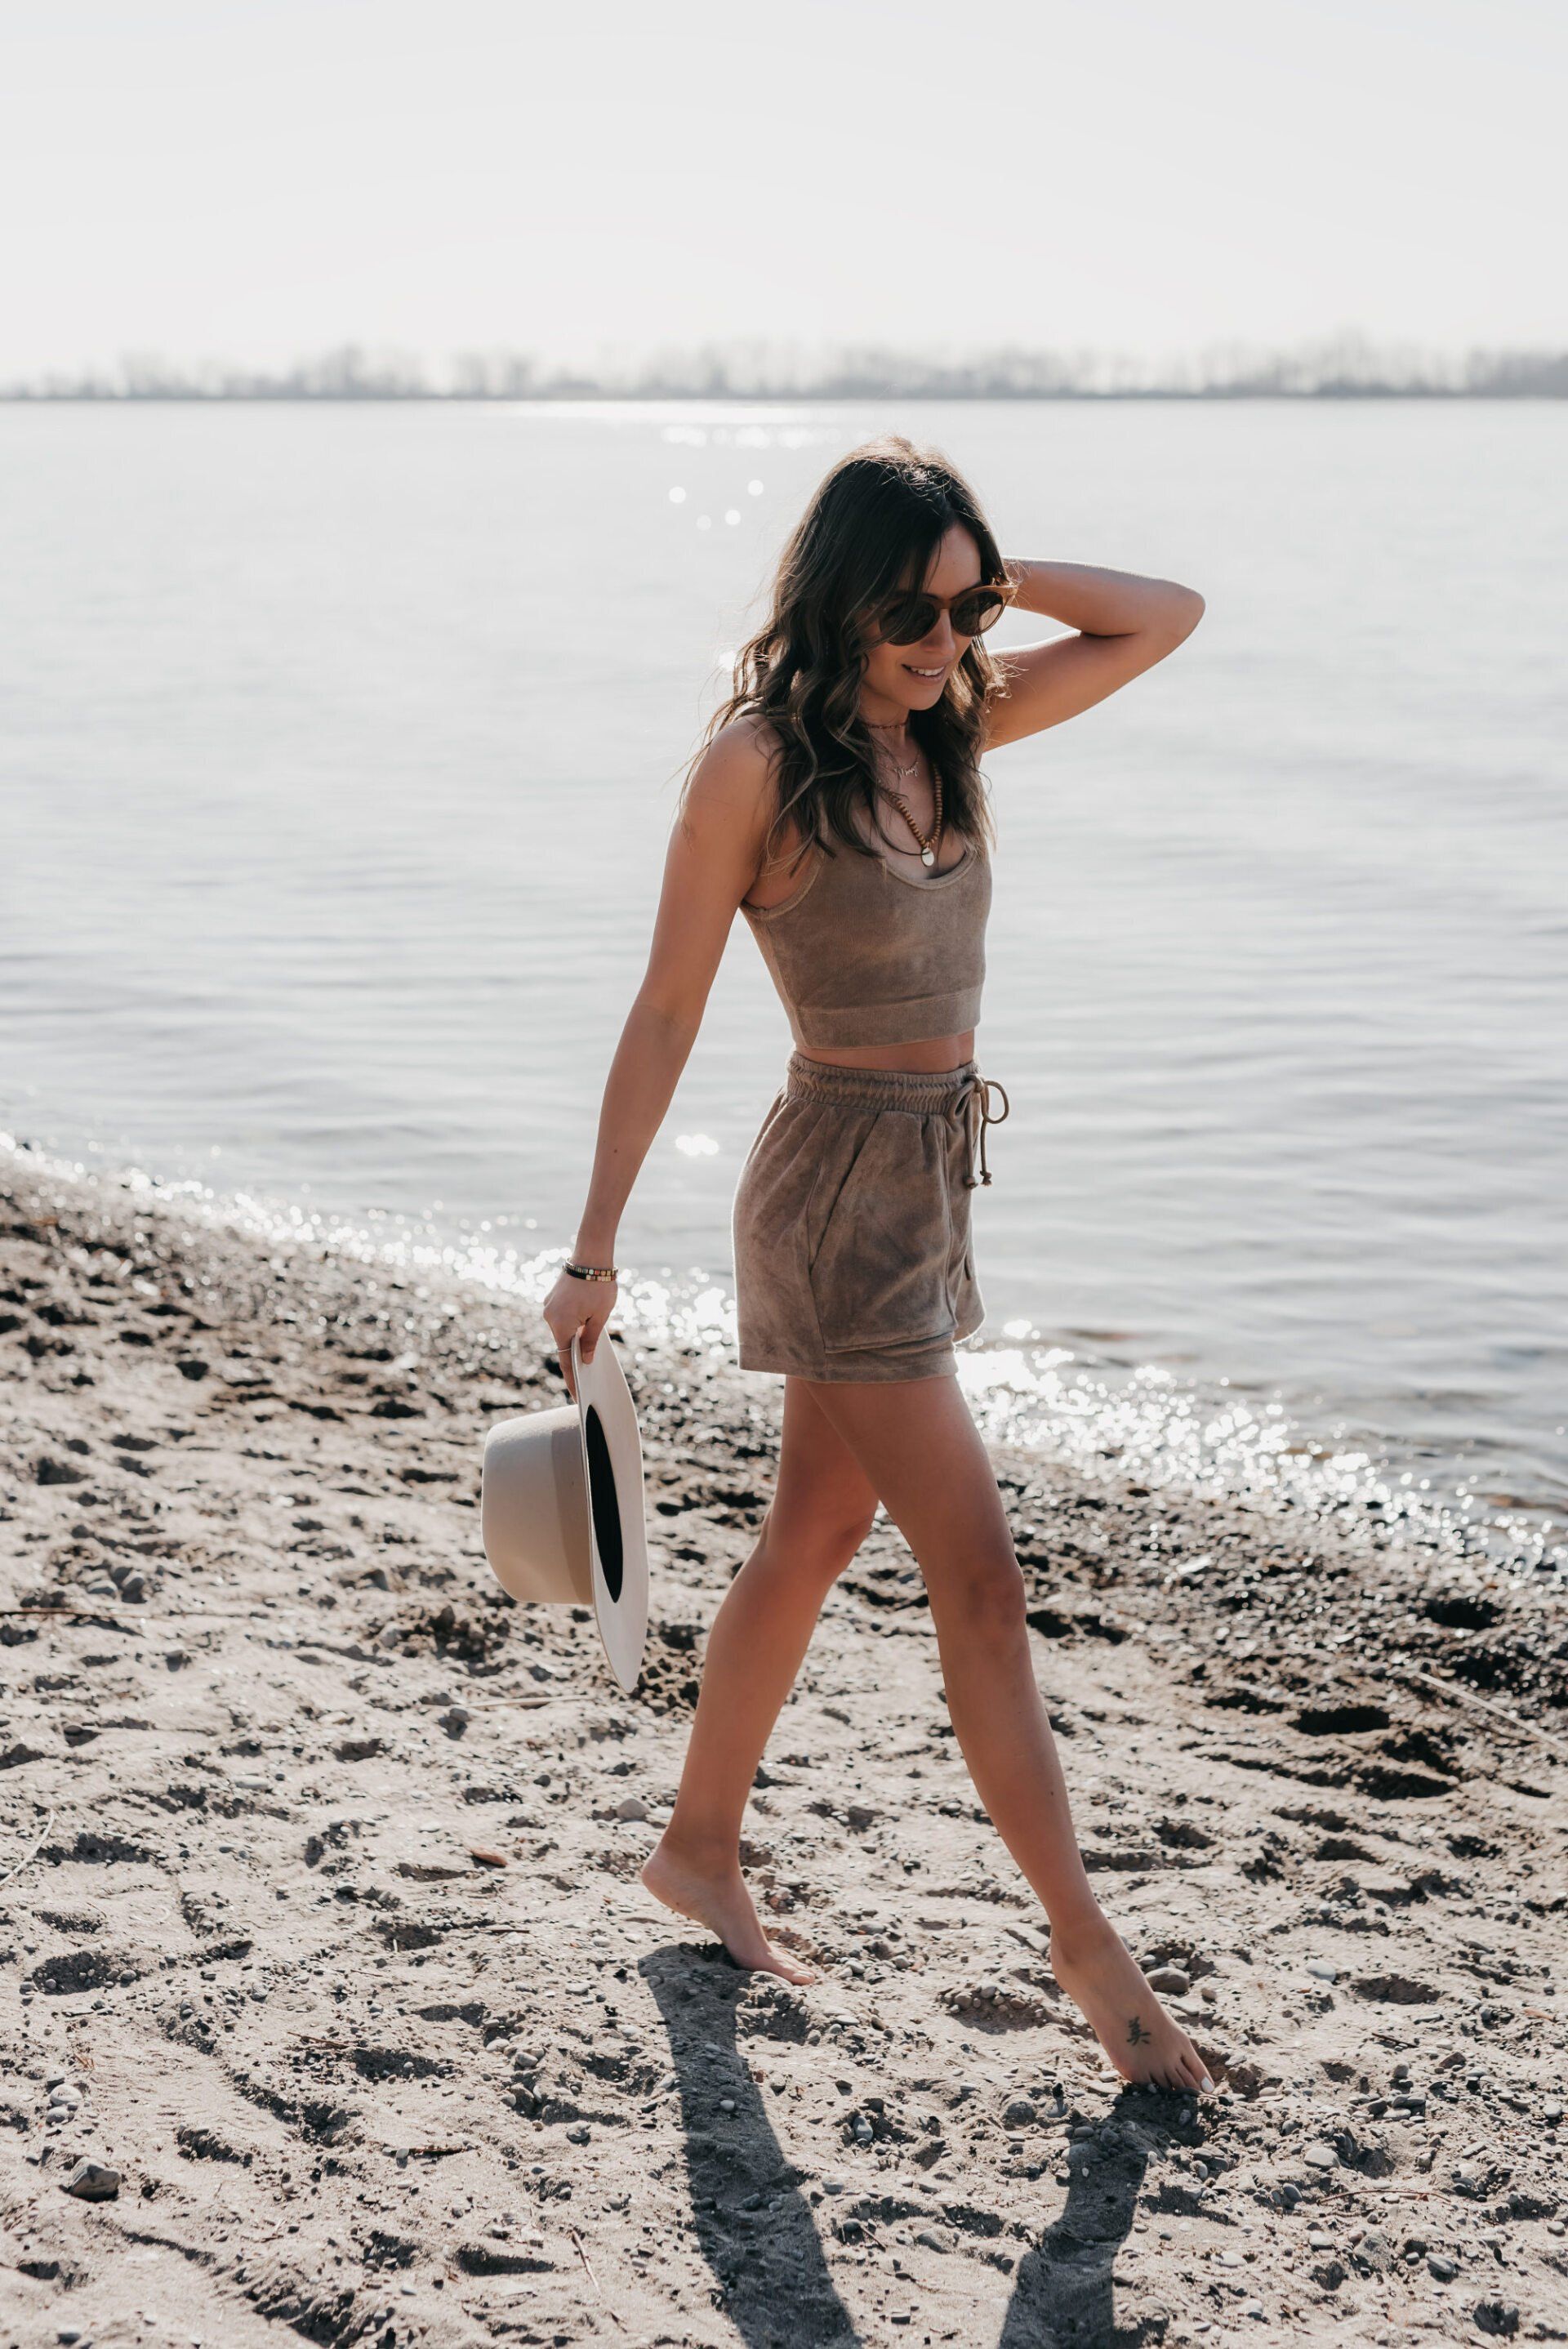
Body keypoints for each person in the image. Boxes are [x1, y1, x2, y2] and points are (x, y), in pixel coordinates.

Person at [542, 432, 1213, 2094]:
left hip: (930, 1173)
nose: (943, 644)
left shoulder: (959, 726)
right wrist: (594, 1249)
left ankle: (699, 1846)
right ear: (837, 598)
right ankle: (1087, 1950)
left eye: (962, 613)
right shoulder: (755, 766)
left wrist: (990, 581)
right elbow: (667, 1007)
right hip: (835, 1187)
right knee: (979, 1576)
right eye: (912, 614)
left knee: (813, 1530)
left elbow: (1163, 617)